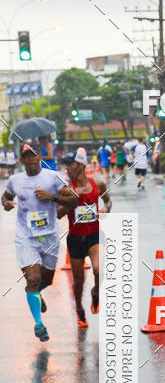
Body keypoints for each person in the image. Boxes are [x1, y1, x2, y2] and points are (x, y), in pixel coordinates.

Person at [1, 144, 78, 342]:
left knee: (47, 280)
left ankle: (36, 294)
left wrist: (52, 197)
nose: (31, 159)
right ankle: (39, 324)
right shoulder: (15, 180)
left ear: (40, 156)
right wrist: (6, 204)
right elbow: (6, 197)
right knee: (33, 279)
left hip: (50, 236)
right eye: (27, 156)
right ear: (21, 160)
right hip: (26, 237)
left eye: (34, 155)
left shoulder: (53, 177)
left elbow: (74, 200)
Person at [57, 150, 111, 327]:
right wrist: (73, 200)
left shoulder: (98, 184)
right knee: (78, 282)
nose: (67, 167)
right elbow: (58, 214)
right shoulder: (66, 189)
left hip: (94, 236)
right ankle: (79, 308)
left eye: (70, 163)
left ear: (81, 165)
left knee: (98, 269)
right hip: (75, 239)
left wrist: (106, 209)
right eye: (65, 164)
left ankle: (96, 291)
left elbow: (108, 201)